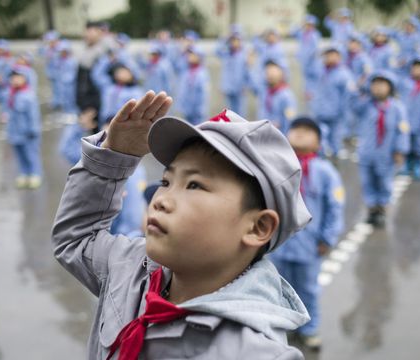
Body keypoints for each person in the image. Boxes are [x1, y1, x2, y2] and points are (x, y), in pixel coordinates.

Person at [52, 92, 312, 359]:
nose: (161, 199)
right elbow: (76, 239)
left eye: (194, 185)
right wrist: (113, 158)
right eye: (166, 182)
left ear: (258, 227)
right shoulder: (130, 267)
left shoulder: (256, 353)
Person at [270, 117, 345, 351]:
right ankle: (283, 328)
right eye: (296, 130)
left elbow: (335, 207)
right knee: (276, 288)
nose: (300, 134)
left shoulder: (325, 172)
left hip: (309, 246)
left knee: (307, 290)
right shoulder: (277, 166)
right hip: (278, 244)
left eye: (307, 132)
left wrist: (327, 238)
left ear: (318, 142)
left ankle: (309, 330)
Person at [351, 71, 410, 227]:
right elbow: (353, 105)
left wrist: (400, 150)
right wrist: (360, 87)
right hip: (366, 153)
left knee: (384, 182)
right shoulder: (366, 105)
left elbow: (402, 130)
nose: (377, 88)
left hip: (386, 154)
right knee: (367, 182)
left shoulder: (397, 108)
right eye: (374, 84)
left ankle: (382, 209)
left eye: (382, 85)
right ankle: (371, 209)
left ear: (390, 87)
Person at [309, 44, 356, 157]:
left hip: (336, 113)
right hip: (320, 111)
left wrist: (345, 114)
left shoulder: (344, 74)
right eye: (327, 55)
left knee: (335, 140)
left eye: (333, 55)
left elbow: (348, 96)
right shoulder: (321, 70)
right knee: (320, 138)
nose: (330, 58)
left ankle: (335, 161)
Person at [3, 68, 42, 189]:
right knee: (20, 155)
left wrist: (33, 130)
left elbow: (34, 115)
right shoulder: (10, 94)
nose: (15, 80)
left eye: (18, 77)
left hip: (27, 133)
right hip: (14, 132)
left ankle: (35, 174)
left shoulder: (28, 95)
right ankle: (24, 174)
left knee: (31, 154)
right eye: (13, 77)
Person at [92, 60, 144, 127]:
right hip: (105, 122)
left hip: (123, 123)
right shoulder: (108, 86)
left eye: (125, 72)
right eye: (119, 72)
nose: (122, 74)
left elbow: (136, 108)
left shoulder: (135, 91)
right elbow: (96, 75)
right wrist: (107, 59)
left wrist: (123, 56)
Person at [251, 60, 297, 133]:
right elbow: (253, 84)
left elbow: (290, 121)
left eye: (273, 71)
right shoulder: (264, 91)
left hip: (279, 137)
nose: (270, 74)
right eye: (267, 72)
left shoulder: (287, 96)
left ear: (282, 74)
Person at [215, 27, 250, 116]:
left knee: (240, 114)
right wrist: (224, 39)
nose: (234, 43)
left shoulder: (243, 56)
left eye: (237, 40)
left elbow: (247, 73)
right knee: (228, 114)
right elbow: (216, 51)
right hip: (228, 88)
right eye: (232, 40)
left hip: (239, 89)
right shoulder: (226, 54)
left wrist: (246, 85)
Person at [175, 46, 210, 125]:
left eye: (193, 55)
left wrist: (201, 109)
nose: (189, 57)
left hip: (197, 112)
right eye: (189, 55)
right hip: (187, 109)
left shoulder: (202, 73)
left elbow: (204, 94)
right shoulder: (186, 71)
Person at [54, 40, 79, 115]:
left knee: (71, 98)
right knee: (63, 98)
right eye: (61, 51)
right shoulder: (58, 60)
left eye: (63, 51)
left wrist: (67, 79)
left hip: (70, 84)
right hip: (61, 83)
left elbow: (74, 73)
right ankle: (65, 111)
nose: (62, 53)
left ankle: (72, 112)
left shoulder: (72, 61)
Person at [39, 30, 61, 109]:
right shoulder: (47, 49)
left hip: (59, 73)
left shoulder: (60, 49)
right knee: (54, 87)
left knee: (60, 88)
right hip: (51, 72)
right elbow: (40, 52)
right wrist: (42, 43)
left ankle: (60, 102)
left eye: (53, 41)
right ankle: (56, 101)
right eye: (49, 41)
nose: (51, 43)